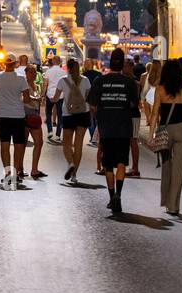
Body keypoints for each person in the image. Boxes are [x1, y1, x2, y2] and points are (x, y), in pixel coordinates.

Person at [89, 48, 141, 214]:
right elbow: (135, 103)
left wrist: (100, 116)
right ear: (122, 63)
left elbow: (93, 105)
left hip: (106, 128)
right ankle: (119, 193)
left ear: (110, 62)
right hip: (123, 127)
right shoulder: (129, 83)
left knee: (108, 165)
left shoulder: (99, 81)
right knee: (121, 163)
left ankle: (112, 197)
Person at [150, 60, 182, 216]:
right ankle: (174, 206)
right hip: (181, 129)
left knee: (166, 166)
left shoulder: (160, 89)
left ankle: (166, 201)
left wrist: (151, 135)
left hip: (165, 130)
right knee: (178, 169)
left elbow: (155, 113)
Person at [0, 60, 33, 189]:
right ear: (15, 64)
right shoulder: (21, 79)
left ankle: (8, 173)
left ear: (4, 64)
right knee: (19, 145)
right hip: (18, 115)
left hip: (3, 115)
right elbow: (26, 99)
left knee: (4, 144)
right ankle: (16, 172)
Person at [53, 57, 92, 183]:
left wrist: (48, 101)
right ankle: (74, 175)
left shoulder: (62, 81)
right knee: (78, 145)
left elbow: (55, 98)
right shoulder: (85, 80)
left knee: (66, 144)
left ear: (67, 68)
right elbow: (88, 97)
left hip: (68, 114)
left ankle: (70, 163)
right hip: (83, 113)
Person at [23, 65, 48, 179]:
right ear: (26, 73)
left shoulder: (36, 85)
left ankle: (34, 169)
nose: (33, 74)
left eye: (34, 72)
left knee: (39, 142)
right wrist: (35, 98)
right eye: (31, 72)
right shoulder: (23, 84)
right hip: (25, 114)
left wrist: (40, 97)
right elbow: (22, 98)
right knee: (22, 144)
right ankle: (19, 169)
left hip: (35, 115)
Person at [123, 58, 143, 177]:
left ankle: (135, 168)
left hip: (133, 114)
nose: (123, 68)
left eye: (126, 66)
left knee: (133, 141)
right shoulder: (125, 80)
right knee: (127, 141)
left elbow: (134, 101)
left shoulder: (135, 81)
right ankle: (129, 166)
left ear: (131, 67)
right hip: (125, 114)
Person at [43, 56, 68, 143]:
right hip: (60, 96)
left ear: (53, 61)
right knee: (60, 115)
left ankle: (50, 131)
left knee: (48, 113)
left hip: (50, 95)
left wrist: (42, 95)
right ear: (60, 62)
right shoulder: (64, 72)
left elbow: (45, 84)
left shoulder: (48, 71)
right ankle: (58, 135)